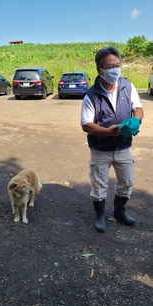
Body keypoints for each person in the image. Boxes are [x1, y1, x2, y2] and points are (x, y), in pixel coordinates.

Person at [80, 46, 144, 233]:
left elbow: (138, 108)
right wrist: (108, 131)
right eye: (110, 67)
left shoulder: (127, 86)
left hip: (123, 147)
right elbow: (86, 124)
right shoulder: (91, 95)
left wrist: (135, 120)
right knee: (99, 184)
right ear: (100, 69)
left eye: (117, 65)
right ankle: (100, 215)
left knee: (127, 182)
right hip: (101, 149)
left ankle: (119, 212)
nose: (115, 70)